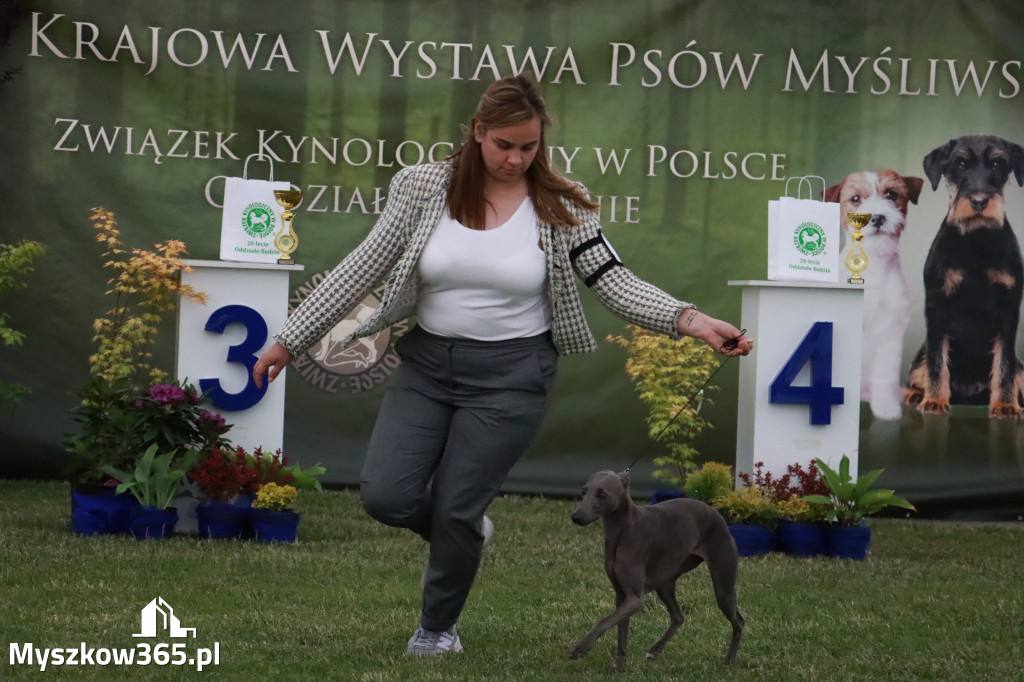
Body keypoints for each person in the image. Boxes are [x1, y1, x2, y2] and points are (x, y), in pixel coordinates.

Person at [252, 75, 753, 657]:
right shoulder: (421, 187)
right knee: (387, 497)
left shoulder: (563, 203)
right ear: (478, 133)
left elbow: (612, 280)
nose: (517, 159)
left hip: (514, 376)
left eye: (530, 147)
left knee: (457, 504)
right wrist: (289, 338)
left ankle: (437, 629)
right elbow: (360, 267)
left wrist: (691, 321)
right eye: (505, 145)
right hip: (428, 366)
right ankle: (465, 533)